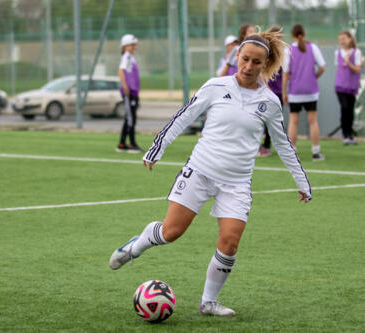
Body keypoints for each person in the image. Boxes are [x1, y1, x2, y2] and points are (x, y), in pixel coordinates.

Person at [109, 27, 312, 317]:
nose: (248, 67)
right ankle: (136, 246)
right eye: (244, 59)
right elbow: (183, 117)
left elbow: (283, 144)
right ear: (236, 57)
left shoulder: (269, 102)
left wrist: (301, 181)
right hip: (200, 171)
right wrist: (157, 147)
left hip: (237, 183)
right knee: (171, 232)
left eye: (256, 62)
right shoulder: (216, 86)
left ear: (265, 65)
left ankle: (208, 302)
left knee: (230, 242)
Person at [282, 24, 326, 161]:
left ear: (293, 35)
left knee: (293, 122)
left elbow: (285, 74)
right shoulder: (313, 47)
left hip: (295, 91)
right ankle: (316, 152)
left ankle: (292, 153)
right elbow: (322, 67)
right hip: (311, 91)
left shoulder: (288, 50)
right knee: (313, 121)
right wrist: (314, 77)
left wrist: (284, 92)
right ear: (304, 33)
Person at [259, 25, 284, 157]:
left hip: (278, 92)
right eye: (278, 37)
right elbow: (262, 73)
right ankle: (260, 146)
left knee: (274, 122)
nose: (280, 39)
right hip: (266, 92)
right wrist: (267, 89)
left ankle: (267, 146)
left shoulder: (281, 53)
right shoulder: (266, 51)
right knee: (260, 120)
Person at [335, 30, 362, 145]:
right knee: (344, 108)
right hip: (340, 86)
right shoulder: (338, 52)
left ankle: (349, 135)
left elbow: (357, 69)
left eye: (344, 38)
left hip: (351, 87)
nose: (342, 41)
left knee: (350, 110)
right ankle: (345, 135)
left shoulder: (356, 52)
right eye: (340, 39)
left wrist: (348, 63)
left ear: (350, 39)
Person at [116, 34, 143, 153]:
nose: (134, 47)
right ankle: (132, 144)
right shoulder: (126, 57)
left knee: (129, 118)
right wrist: (125, 86)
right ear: (125, 46)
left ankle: (122, 144)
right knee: (131, 118)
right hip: (129, 92)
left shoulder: (130, 57)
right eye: (132, 45)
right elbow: (120, 71)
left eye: (135, 45)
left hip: (133, 92)